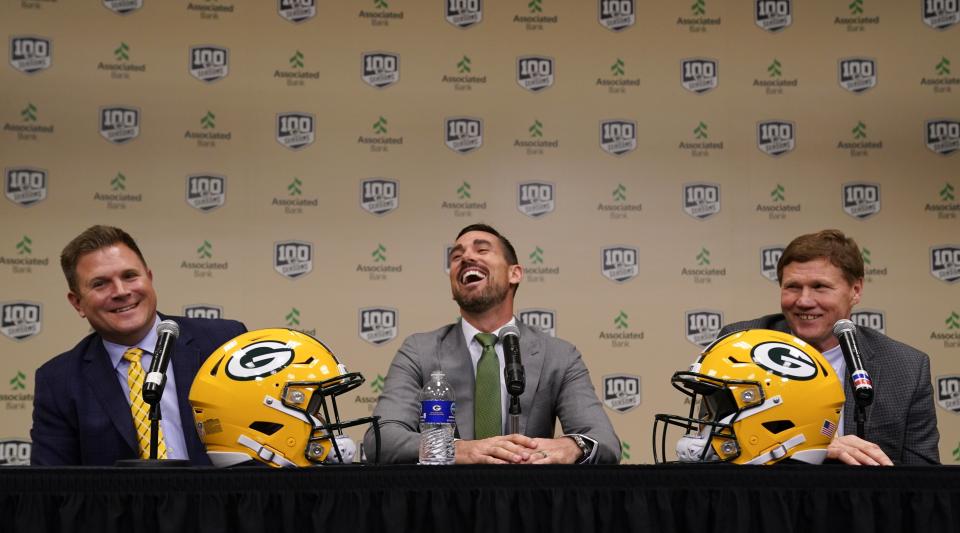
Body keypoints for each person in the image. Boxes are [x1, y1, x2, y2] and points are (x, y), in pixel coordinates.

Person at [363, 224, 620, 464]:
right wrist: (460, 449)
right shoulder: (419, 351)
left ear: (514, 273)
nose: (466, 258)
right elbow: (381, 438)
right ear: (453, 286)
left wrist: (571, 447)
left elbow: (605, 441)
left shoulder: (559, 355)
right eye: (456, 257)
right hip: (444, 503)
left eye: (482, 249)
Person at [718, 229, 939, 466]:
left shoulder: (906, 368)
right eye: (793, 287)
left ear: (855, 291)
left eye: (820, 287)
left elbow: (923, 475)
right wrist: (813, 446)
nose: (804, 301)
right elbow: (713, 448)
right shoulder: (741, 345)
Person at [30, 225, 247, 465]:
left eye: (129, 276)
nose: (121, 291)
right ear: (77, 303)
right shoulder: (59, 381)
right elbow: (52, 487)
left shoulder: (223, 342)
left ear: (150, 278)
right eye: (100, 284)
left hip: (221, 501)